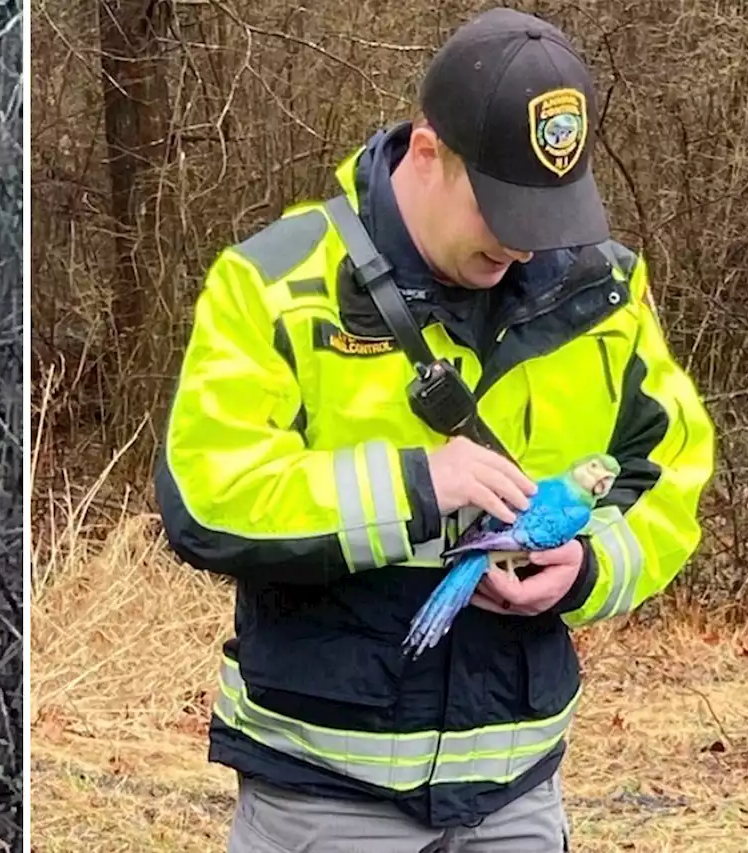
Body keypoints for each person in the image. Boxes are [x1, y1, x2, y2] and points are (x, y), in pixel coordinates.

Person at [153, 7, 716, 852]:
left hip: (519, 787)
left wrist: (587, 564)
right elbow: (205, 497)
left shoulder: (604, 293)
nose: (525, 247)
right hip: (326, 792)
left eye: (546, 213)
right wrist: (415, 486)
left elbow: (671, 469)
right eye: (503, 208)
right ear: (427, 152)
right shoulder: (273, 285)